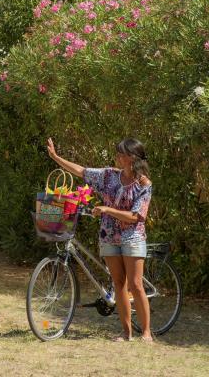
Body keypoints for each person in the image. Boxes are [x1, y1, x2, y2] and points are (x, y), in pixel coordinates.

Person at [47, 137, 153, 342]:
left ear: (132, 157)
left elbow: (136, 216)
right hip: (109, 237)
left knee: (136, 284)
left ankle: (147, 332)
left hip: (132, 238)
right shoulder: (109, 176)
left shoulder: (144, 184)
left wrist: (107, 209)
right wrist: (56, 157)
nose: (117, 156)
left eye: (121, 153)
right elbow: (81, 171)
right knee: (119, 284)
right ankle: (126, 332)